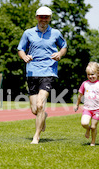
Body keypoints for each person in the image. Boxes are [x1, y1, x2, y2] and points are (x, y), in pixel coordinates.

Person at [17, 6, 67, 144]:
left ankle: (36, 136)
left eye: (46, 17)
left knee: (40, 104)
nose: (43, 19)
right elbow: (20, 49)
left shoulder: (56, 33)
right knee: (35, 109)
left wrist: (59, 54)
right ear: (36, 17)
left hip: (49, 71)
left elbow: (64, 46)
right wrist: (24, 57)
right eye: (41, 16)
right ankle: (43, 115)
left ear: (50, 18)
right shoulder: (28, 33)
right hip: (32, 72)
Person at [74, 62, 99, 146]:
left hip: (97, 109)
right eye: (88, 74)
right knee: (84, 123)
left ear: (97, 74)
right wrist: (77, 104)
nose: (90, 76)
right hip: (87, 109)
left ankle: (93, 142)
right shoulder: (85, 84)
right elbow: (80, 95)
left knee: (94, 127)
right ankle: (87, 129)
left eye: (92, 74)